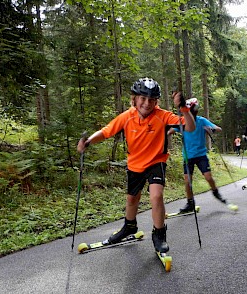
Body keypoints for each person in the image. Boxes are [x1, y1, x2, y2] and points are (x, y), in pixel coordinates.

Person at [77, 77, 195, 253]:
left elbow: (190, 127)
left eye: (152, 100)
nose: (147, 103)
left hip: (157, 161)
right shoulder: (127, 116)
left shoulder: (162, 116)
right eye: (143, 98)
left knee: (156, 196)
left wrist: (184, 109)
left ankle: (159, 233)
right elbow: (106, 131)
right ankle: (129, 226)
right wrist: (88, 142)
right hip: (135, 164)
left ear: (156, 101)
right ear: (135, 99)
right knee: (132, 199)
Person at [168, 98, 227, 213]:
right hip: (187, 156)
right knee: (187, 181)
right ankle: (190, 203)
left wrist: (211, 129)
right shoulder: (182, 121)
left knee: (208, 177)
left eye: (193, 110)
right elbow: (171, 130)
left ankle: (215, 192)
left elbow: (218, 128)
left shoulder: (201, 121)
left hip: (200, 155)